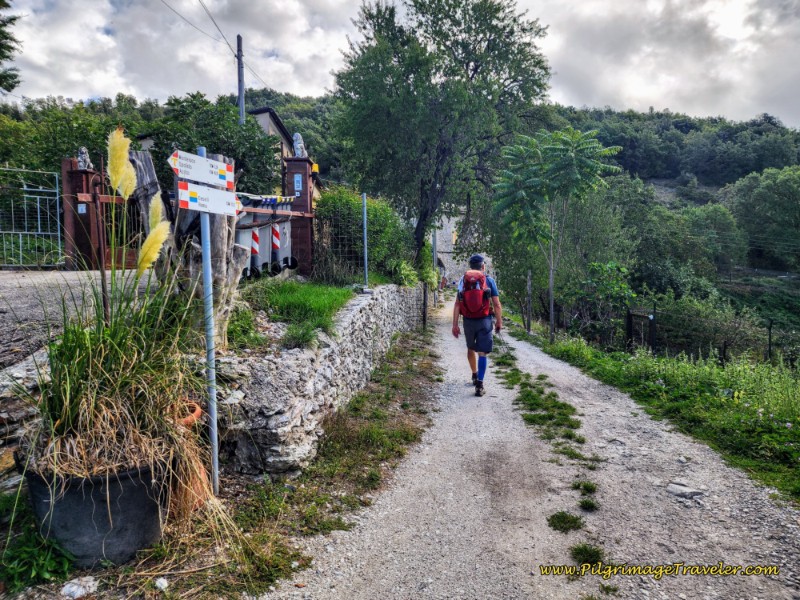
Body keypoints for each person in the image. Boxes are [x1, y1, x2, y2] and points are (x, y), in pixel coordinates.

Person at [451, 254, 502, 396]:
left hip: (468, 320)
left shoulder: (463, 280)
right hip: (484, 319)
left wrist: (455, 324)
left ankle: (474, 374)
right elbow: (496, 304)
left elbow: (457, 304)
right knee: (482, 352)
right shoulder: (489, 281)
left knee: (470, 348)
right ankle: (479, 385)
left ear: (470, 267)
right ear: (483, 266)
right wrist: (499, 321)